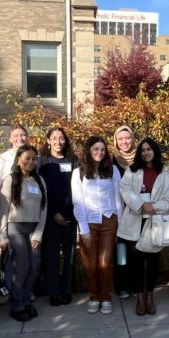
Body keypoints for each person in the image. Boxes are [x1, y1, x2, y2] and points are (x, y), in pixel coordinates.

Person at [118, 137, 169, 317]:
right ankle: (140, 297)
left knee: (152, 262)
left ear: (154, 151)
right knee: (135, 263)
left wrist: (154, 207)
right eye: (142, 150)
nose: (146, 152)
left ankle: (150, 296)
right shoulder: (132, 171)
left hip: (154, 222)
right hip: (135, 221)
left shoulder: (163, 174)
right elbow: (124, 190)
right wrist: (141, 204)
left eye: (149, 149)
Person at [72, 135, 122, 314]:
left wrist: (120, 223)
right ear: (89, 150)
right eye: (95, 149)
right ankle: (94, 296)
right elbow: (78, 202)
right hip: (89, 223)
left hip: (109, 221)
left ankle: (106, 297)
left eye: (102, 149)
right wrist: (83, 229)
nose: (99, 152)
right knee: (90, 263)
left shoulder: (113, 170)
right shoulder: (78, 172)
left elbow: (117, 198)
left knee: (106, 262)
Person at [0, 146, 47, 322]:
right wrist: (3, 236)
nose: (31, 162)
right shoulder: (10, 179)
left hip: (33, 230)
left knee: (34, 267)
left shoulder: (39, 180)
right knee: (22, 267)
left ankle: (26, 301)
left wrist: (38, 234)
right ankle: (17, 304)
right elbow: (3, 211)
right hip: (16, 228)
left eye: (34, 159)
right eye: (27, 158)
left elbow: (44, 209)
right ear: (18, 158)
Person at [38, 127, 76, 306]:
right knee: (51, 255)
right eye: (54, 138)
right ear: (48, 140)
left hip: (70, 214)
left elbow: (75, 189)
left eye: (61, 138)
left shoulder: (73, 161)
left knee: (69, 255)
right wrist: (54, 213)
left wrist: (66, 212)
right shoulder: (42, 161)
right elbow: (41, 190)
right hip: (50, 216)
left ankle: (66, 290)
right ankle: (53, 291)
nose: (58, 141)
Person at [0, 124, 30, 305]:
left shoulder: (31, 155)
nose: (19, 138)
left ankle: (23, 289)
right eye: (15, 135)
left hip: (28, 216)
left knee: (26, 256)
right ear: (10, 138)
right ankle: (5, 289)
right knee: (7, 255)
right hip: (8, 212)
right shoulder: (2, 159)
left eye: (23, 134)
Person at [111, 124, 138, 299]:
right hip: (119, 213)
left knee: (136, 251)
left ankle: (135, 285)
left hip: (138, 212)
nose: (124, 141)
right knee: (121, 251)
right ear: (115, 141)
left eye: (127, 137)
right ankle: (121, 286)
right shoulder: (110, 161)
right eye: (120, 139)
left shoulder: (140, 158)